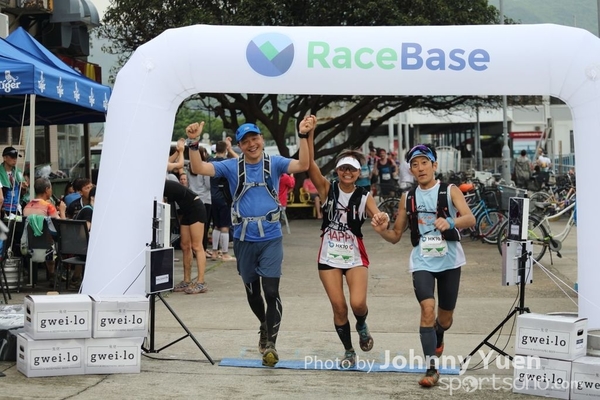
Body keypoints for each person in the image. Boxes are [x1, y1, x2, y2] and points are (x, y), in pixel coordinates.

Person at [186, 118, 309, 367]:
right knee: (253, 292)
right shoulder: (231, 166)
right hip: (244, 238)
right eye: (245, 141)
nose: (252, 144)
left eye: (255, 138)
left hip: (271, 237)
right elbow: (198, 168)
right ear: (240, 145)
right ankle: (264, 324)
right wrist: (193, 141)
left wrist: (304, 136)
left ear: (261, 139)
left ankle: (271, 343)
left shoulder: (275, 163)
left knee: (271, 291)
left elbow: (304, 164)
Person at [371, 144, 475, 388]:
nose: (420, 168)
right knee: (427, 309)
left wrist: (450, 222)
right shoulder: (407, 198)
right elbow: (396, 235)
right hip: (422, 260)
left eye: (424, 163)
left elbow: (470, 218)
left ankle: (439, 335)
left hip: (450, 260)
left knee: (445, 319)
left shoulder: (449, 191)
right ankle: (431, 368)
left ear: (434, 165)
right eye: (415, 165)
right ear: (411, 170)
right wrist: (382, 231)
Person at [305, 116, 388, 368]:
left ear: (358, 172)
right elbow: (309, 164)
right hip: (328, 256)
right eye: (343, 168)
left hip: (354, 255)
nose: (347, 173)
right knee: (339, 307)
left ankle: (361, 324)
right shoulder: (327, 189)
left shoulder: (364, 196)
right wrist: (309, 134)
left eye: (352, 169)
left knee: (357, 304)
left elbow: (378, 218)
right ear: (337, 170)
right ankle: (349, 351)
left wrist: (382, 219)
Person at [163, 179, 208, 295]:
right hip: (186, 211)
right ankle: (187, 280)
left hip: (195, 208)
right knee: (185, 245)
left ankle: (201, 282)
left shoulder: (164, 185)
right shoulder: (163, 186)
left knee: (197, 246)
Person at [22, 177, 67, 285]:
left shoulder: (27, 206)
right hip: (48, 247)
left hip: (30, 245)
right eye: (51, 188)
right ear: (47, 190)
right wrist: (62, 211)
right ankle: (54, 274)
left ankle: (52, 274)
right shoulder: (48, 207)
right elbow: (62, 226)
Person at [208, 139, 237, 262]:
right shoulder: (227, 162)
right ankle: (225, 253)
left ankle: (214, 252)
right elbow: (240, 160)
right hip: (225, 197)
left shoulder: (210, 162)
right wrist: (230, 149)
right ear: (225, 150)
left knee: (216, 225)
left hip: (212, 196)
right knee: (225, 226)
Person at [0, 146, 27, 217]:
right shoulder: (0, 172)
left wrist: (24, 187)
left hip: (16, 208)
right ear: (5, 158)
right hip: (3, 209)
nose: (15, 160)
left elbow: (23, 189)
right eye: (12, 157)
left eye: (16, 157)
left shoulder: (18, 172)